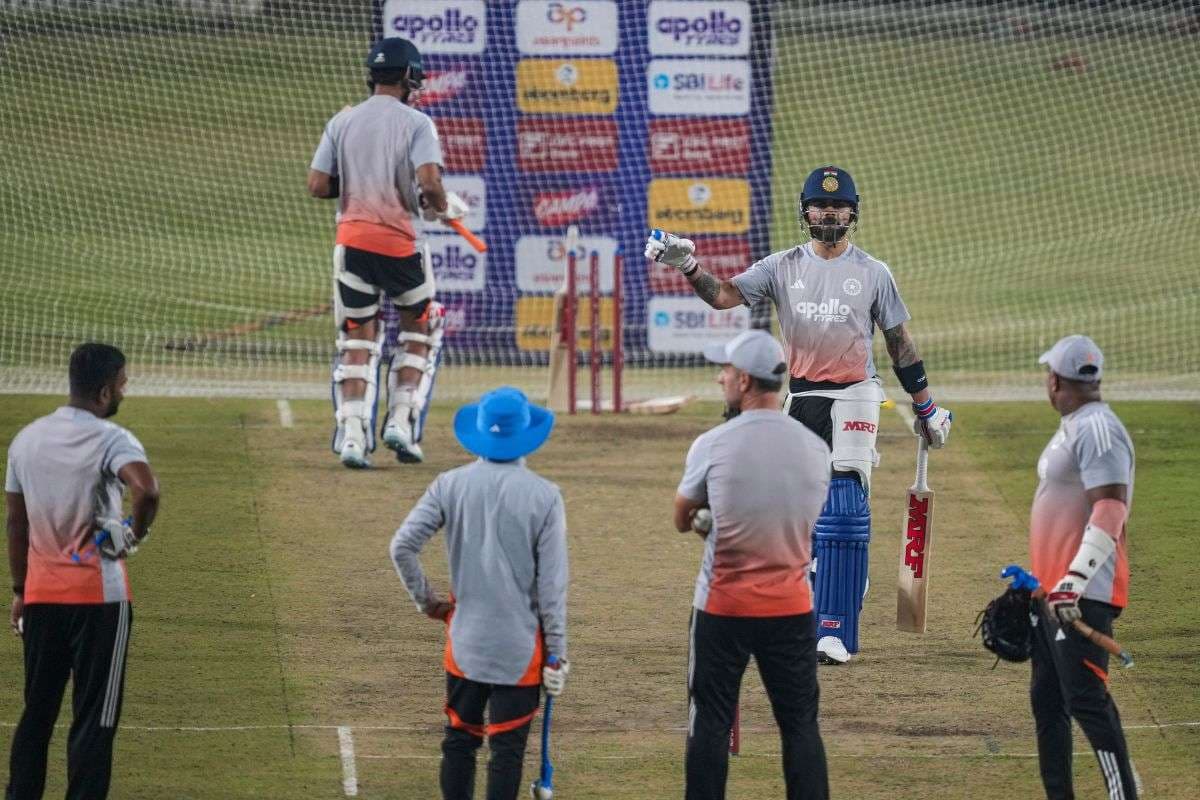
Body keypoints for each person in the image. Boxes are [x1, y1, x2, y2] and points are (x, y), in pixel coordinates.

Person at [647, 165, 953, 664]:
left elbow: (900, 344)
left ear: (853, 213)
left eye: (838, 207)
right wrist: (689, 266)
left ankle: (835, 630)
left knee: (844, 503)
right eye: (820, 206)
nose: (829, 213)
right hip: (801, 396)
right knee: (800, 509)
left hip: (856, 394)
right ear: (805, 212)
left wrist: (927, 407)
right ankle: (832, 582)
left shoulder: (873, 272)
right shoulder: (781, 266)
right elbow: (723, 296)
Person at [673, 330, 831, 800]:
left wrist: (709, 519)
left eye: (725, 371)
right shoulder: (816, 449)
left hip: (724, 607)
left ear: (744, 380)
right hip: (791, 608)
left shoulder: (712, 444)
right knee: (800, 725)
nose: (719, 378)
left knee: (710, 721)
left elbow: (682, 517)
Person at [389, 387, 569, 800]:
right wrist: (557, 653)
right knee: (507, 752)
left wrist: (428, 602)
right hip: (520, 651)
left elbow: (402, 547)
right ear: (526, 434)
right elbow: (552, 587)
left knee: (459, 741)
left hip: (465, 643)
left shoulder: (449, 484)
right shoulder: (545, 496)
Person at [5, 343, 160, 800]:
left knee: (37, 713)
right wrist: (132, 533)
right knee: (95, 719)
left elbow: (16, 523)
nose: (124, 392)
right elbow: (147, 491)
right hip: (99, 599)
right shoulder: (112, 439)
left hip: (40, 596)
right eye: (122, 385)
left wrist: (20, 590)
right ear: (104, 391)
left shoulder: (26, 439)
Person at [308, 36, 469, 468]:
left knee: (356, 339)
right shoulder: (417, 123)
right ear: (409, 76)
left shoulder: (342, 121)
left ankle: (352, 436)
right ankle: (400, 421)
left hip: (352, 245)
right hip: (400, 246)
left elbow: (318, 185)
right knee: (421, 330)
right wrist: (441, 207)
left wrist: (358, 184)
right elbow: (430, 183)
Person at [1028, 335, 1139, 799]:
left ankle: (1123, 793)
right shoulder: (1076, 425)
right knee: (1048, 702)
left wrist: (1072, 582)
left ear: (1055, 380)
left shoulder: (1097, 428)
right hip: (1052, 591)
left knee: (1087, 702)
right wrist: (1038, 584)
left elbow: (1111, 508)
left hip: (1080, 595)